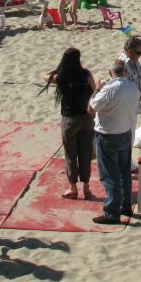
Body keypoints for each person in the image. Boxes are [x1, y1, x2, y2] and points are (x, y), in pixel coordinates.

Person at [88, 60, 141, 224]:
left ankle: (112, 212)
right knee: (124, 171)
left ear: (112, 74)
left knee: (110, 174)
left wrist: (97, 89)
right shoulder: (133, 87)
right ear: (125, 72)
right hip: (125, 132)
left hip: (108, 135)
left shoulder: (110, 89)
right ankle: (125, 205)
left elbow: (90, 108)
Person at [43, 48, 97, 200]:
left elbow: (44, 76)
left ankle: (73, 187)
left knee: (71, 154)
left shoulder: (61, 77)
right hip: (86, 117)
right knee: (85, 152)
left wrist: (59, 67)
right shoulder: (86, 74)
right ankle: (86, 187)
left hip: (69, 119)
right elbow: (95, 91)